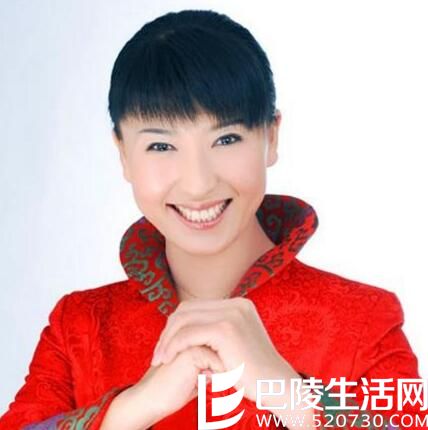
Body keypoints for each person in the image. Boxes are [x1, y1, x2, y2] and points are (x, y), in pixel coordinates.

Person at [0, 9, 425, 430]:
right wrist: (133, 408)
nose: (199, 183)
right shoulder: (80, 327)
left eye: (226, 139)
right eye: (161, 146)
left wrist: (286, 391)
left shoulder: (364, 319)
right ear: (123, 153)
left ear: (271, 136)